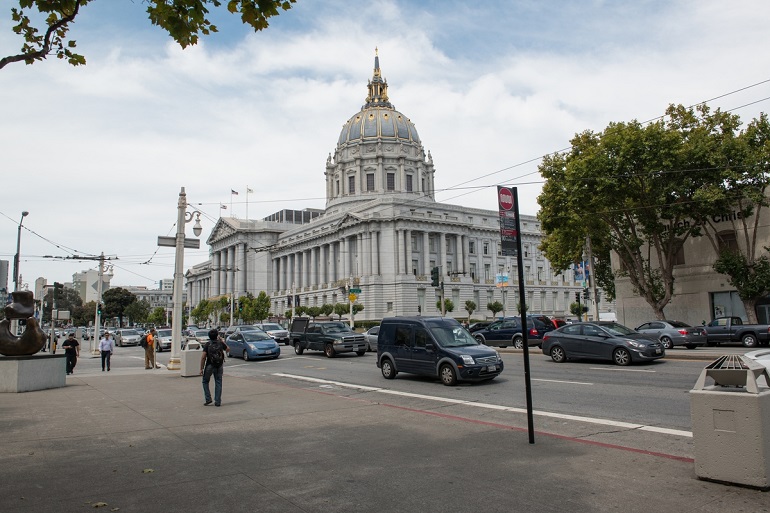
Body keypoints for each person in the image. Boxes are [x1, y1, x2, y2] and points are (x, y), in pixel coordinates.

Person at [200, 328, 228, 406]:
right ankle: (218, 401)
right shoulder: (220, 343)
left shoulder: (207, 344)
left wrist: (201, 368)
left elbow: (203, 357)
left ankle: (208, 398)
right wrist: (222, 341)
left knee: (205, 381)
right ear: (217, 336)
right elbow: (228, 349)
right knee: (218, 382)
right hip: (219, 365)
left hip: (210, 365)